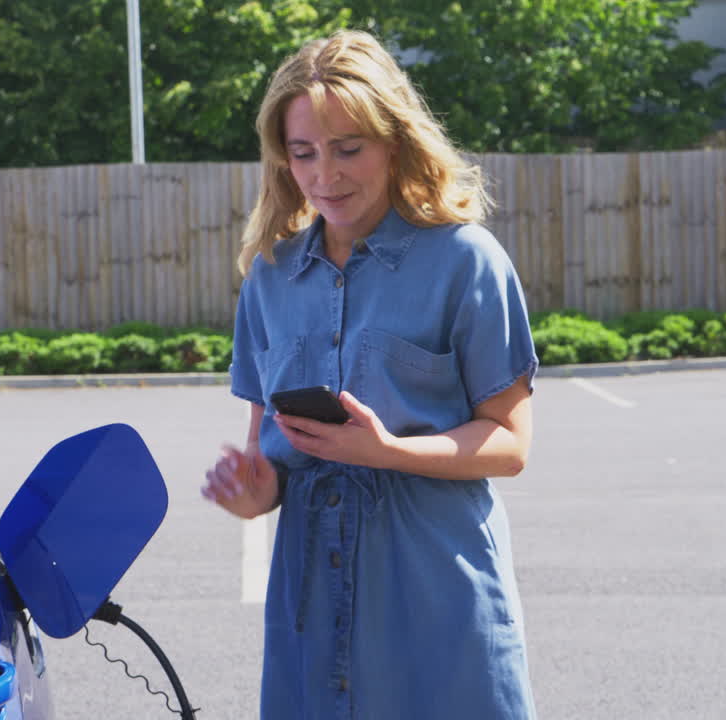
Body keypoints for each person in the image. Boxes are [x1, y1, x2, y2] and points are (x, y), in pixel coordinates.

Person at [201, 30, 538, 719]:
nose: (325, 174)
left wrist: (388, 451)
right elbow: (269, 451)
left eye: (348, 148)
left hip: (437, 593)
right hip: (310, 603)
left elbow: (510, 444)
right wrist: (256, 491)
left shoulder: (466, 261)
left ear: (395, 141)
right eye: (304, 152)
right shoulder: (269, 279)